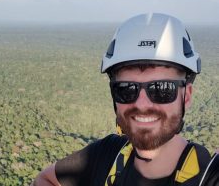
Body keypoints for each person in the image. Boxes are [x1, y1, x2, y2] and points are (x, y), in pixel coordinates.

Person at [33, 13, 213, 186]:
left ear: (186, 96)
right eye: (126, 89)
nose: (142, 104)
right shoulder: (105, 155)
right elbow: (45, 180)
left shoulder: (210, 176)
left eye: (162, 89)